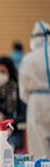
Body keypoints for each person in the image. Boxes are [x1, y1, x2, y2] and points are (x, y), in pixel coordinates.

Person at [19, 21, 50, 158]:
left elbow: (23, 89)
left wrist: (31, 100)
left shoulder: (28, 59)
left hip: (35, 101)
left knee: (38, 147)